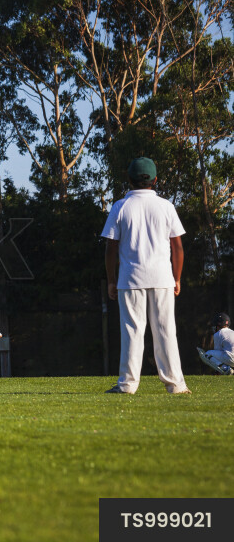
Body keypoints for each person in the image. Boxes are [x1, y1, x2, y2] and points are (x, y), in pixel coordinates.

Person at [102, 157, 190, 394]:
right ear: (155, 180)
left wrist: (111, 280)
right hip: (162, 278)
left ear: (128, 179)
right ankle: (176, 385)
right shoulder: (166, 206)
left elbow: (111, 247)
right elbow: (177, 246)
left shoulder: (121, 206)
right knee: (165, 331)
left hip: (130, 279)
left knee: (132, 330)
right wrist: (177, 277)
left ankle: (128, 385)